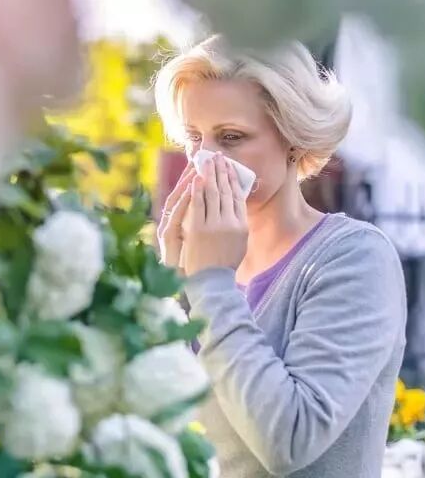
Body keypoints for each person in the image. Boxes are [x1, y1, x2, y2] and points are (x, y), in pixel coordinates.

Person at [154, 35, 407, 477]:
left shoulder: (354, 259)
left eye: (231, 137)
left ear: (292, 139)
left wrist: (210, 282)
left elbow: (288, 440)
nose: (205, 160)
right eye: (195, 137)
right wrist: (172, 289)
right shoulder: (194, 266)